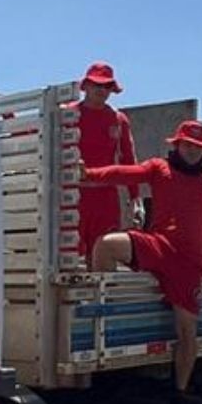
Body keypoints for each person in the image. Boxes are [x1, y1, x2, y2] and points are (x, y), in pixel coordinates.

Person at [86, 121, 202, 404]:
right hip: (159, 245)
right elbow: (124, 173)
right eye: (187, 145)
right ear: (177, 144)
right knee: (105, 245)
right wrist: (89, 174)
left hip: (189, 261)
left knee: (187, 331)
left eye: (198, 147)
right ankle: (106, 310)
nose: (192, 151)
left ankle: (179, 393)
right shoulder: (159, 168)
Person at [66, 62, 139, 263]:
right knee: (69, 254)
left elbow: (128, 159)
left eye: (107, 86)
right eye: (97, 84)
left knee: (104, 254)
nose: (102, 90)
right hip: (72, 194)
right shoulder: (68, 114)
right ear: (86, 86)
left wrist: (135, 197)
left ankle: (101, 285)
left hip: (106, 197)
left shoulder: (118, 119)